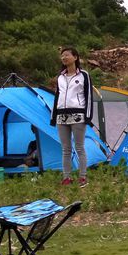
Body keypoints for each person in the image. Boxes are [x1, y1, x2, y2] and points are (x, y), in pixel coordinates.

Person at [50, 47, 94, 187]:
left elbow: (89, 96)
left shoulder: (83, 75)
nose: (64, 58)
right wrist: (53, 116)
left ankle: (82, 177)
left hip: (78, 115)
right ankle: (67, 178)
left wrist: (88, 117)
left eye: (67, 55)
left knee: (79, 147)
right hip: (61, 116)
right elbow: (57, 97)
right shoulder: (60, 77)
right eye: (62, 56)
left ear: (75, 57)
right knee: (65, 149)